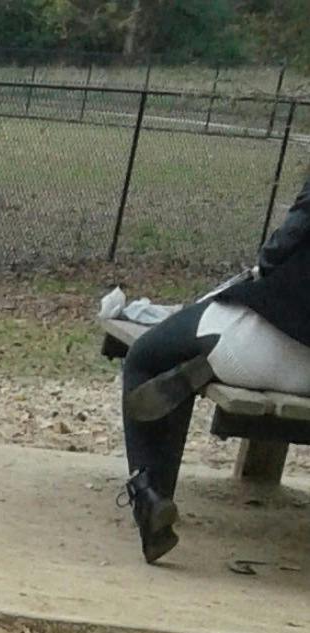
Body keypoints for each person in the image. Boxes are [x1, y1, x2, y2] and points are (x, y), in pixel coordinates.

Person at [119, 163, 310, 564]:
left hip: (265, 347)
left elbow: (283, 246)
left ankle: (150, 501)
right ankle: (198, 367)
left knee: (144, 358)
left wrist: (266, 263)